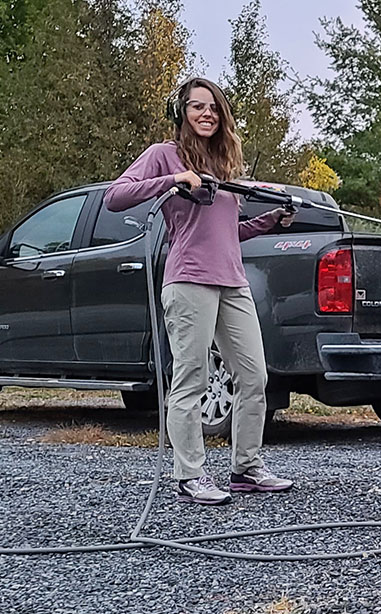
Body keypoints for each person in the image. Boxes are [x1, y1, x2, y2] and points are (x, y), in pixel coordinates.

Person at [104, 77, 296, 505]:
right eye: (197, 107)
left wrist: (269, 221)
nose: (206, 114)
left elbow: (226, 232)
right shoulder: (164, 156)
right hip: (189, 279)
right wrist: (173, 179)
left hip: (233, 281)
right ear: (182, 113)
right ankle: (189, 474)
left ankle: (246, 468)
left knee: (254, 376)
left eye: (214, 108)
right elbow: (114, 197)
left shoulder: (224, 167)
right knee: (192, 378)